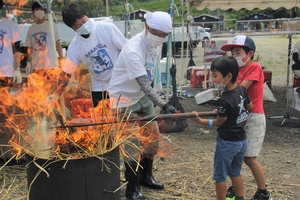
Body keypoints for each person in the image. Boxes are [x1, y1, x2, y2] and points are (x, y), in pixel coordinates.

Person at [108, 11, 177, 200]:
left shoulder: (157, 44)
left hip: (142, 98)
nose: (160, 37)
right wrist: (163, 104)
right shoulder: (132, 50)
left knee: (152, 139)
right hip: (123, 100)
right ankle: (132, 189)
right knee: (132, 146)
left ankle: (146, 177)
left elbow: (152, 75)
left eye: (164, 35)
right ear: (146, 27)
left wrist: (159, 99)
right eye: (156, 32)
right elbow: (145, 83)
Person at [192, 56, 252, 200]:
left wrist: (201, 121)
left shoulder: (224, 100)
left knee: (220, 176)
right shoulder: (242, 90)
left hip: (227, 143)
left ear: (228, 76)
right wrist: (227, 112)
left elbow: (219, 122)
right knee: (235, 173)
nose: (213, 79)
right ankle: (240, 198)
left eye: (215, 75)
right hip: (241, 141)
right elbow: (250, 107)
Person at [221, 35, 273, 200]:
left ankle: (263, 192)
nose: (235, 56)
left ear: (250, 53)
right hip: (239, 117)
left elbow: (239, 91)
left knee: (249, 158)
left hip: (253, 117)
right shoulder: (236, 71)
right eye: (233, 53)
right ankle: (236, 186)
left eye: (238, 52)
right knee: (235, 154)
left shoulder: (254, 67)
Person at [48, 3, 127, 108]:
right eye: (79, 25)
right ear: (73, 28)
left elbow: (127, 50)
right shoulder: (75, 46)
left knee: (123, 119)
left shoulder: (106, 28)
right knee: (101, 120)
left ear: (86, 15)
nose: (84, 26)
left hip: (120, 82)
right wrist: (56, 94)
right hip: (100, 87)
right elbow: (67, 73)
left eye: (84, 21)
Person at [25, 1, 63, 76]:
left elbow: (57, 44)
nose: (39, 11)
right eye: (36, 9)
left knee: (52, 86)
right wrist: (28, 62)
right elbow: (30, 47)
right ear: (33, 12)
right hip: (37, 66)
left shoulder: (51, 26)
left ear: (44, 11)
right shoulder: (31, 29)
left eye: (40, 9)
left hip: (51, 65)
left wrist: (61, 59)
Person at [0, 0, 22, 86]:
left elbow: (17, 49)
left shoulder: (10, 25)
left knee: (5, 98)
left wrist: (17, 69)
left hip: (5, 72)